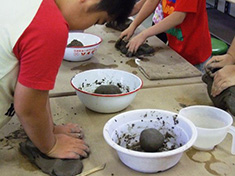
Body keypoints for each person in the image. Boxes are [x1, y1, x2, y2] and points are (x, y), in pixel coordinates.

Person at [0, 0, 135, 159]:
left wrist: (49, 129)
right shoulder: (50, 27)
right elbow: (28, 107)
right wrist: (51, 145)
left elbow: (36, 91)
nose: (90, 26)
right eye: (98, 20)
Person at [120, 0, 212, 72]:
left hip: (195, 52)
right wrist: (133, 25)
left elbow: (178, 17)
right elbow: (152, 1)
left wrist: (144, 34)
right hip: (176, 47)